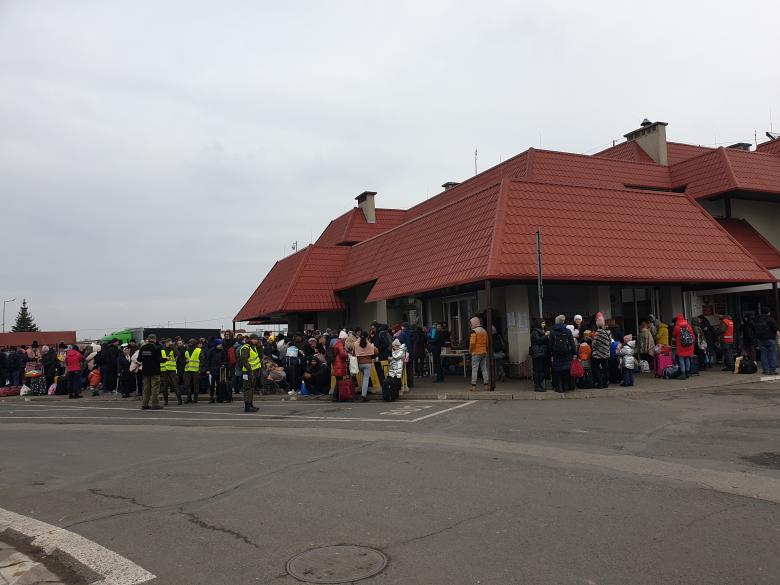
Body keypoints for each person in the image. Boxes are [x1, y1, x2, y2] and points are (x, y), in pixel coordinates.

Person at [548, 315, 576, 392]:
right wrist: (575, 353)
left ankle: (560, 387)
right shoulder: (568, 331)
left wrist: (550, 353)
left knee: (558, 370)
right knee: (566, 370)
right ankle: (566, 387)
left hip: (556, 354)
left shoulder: (552, 331)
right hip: (567, 354)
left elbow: (550, 344)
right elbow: (572, 343)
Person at [138, 334, 165, 410]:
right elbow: (159, 359)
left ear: (148, 339)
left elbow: (139, 359)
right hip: (155, 371)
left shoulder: (143, 348)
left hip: (145, 371)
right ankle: (155, 404)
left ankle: (145, 404)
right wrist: (166, 359)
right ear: (155, 339)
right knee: (155, 388)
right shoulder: (156, 348)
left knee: (146, 388)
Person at [239, 334, 262, 412]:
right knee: (247, 388)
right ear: (251, 339)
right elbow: (244, 360)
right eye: (255, 339)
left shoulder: (253, 347)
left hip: (253, 372)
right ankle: (247, 406)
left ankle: (250, 404)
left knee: (251, 388)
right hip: (247, 372)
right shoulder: (245, 348)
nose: (256, 340)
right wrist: (250, 370)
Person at [753, 307, 778, 375]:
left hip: (761, 339)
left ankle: (765, 370)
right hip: (771, 339)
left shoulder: (757, 319)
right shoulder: (771, 319)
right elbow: (776, 328)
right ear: (769, 312)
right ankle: (772, 370)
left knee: (763, 355)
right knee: (772, 354)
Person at [353, 331, 377, 402]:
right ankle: (363, 395)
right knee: (366, 379)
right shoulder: (369, 344)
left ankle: (356, 392)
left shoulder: (355, 344)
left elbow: (353, 353)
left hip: (359, 363)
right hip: (367, 363)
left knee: (360, 378)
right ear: (367, 337)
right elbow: (376, 351)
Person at [468, 316, 490, 392]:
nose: (470, 325)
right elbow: (487, 342)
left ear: (474, 323)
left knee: (474, 369)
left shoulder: (474, 331)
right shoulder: (484, 331)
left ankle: (473, 386)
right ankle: (486, 385)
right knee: (484, 368)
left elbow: (472, 343)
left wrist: (470, 350)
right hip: (484, 352)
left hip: (476, 352)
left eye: (471, 323)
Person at [672, 314, 695, 379]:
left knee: (681, 359)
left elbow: (674, 336)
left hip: (681, 346)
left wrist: (673, 346)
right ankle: (687, 373)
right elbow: (693, 336)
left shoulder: (677, 327)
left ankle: (683, 373)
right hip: (689, 345)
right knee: (687, 358)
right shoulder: (689, 326)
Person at [591, 317, 612, 389]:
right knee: (605, 368)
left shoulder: (598, 332)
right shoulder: (608, 331)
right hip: (606, 353)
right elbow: (610, 342)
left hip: (598, 354)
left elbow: (594, 343)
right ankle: (606, 383)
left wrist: (591, 340)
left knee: (596, 368)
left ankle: (600, 383)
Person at [160, 339, 181, 405]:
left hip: (172, 369)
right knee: (165, 386)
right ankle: (166, 401)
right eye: (169, 343)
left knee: (175, 385)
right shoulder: (162, 349)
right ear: (166, 343)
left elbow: (178, 354)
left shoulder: (173, 349)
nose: (170, 344)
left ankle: (179, 400)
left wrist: (173, 347)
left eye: (171, 343)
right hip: (164, 370)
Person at [529, 319, 548, 392]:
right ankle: (537, 386)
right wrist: (546, 335)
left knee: (541, 370)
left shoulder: (540, 331)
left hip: (541, 352)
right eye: (542, 323)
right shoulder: (535, 331)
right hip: (538, 352)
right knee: (538, 370)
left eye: (544, 323)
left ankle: (539, 385)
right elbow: (538, 341)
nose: (544, 324)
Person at [182, 339, 203, 403]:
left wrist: (200, 369)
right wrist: (185, 361)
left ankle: (195, 399)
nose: (190, 344)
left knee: (195, 384)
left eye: (191, 343)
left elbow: (202, 361)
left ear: (194, 344)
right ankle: (189, 398)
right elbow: (182, 360)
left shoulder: (199, 350)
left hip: (196, 370)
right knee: (187, 384)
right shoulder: (186, 351)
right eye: (189, 343)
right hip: (187, 370)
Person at [330, 331, 349, 401]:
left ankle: (337, 396)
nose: (345, 340)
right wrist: (347, 354)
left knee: (338, 381)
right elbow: (342, 354)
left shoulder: (336, 343)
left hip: (336, 363)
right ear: (343, 338)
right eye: (345, 339)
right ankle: (335, 396)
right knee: (339, 381)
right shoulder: (340, 344)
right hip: (339, 364)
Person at [397, 323, 416, 388]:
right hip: (410, 352)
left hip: (404, 353)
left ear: (403, 327)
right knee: (410, 369)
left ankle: (403, 384)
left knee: (402, 369)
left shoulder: (402, 333)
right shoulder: (412, 333)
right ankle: (411, 384)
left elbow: (399, 343)